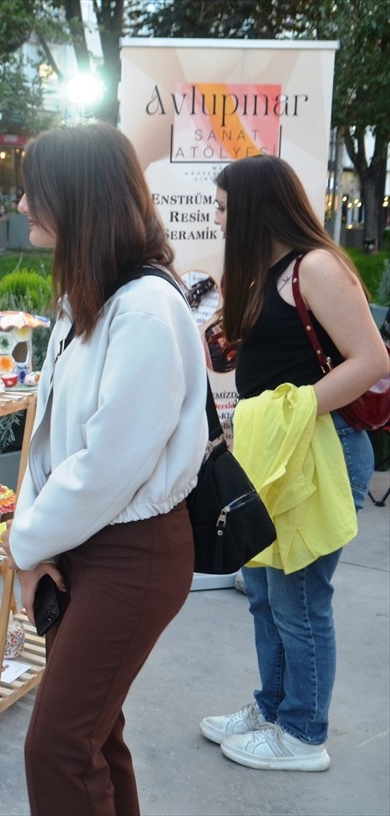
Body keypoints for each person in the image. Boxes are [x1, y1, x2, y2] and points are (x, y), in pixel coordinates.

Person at [0, 122, 208, 815]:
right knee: (95, 737)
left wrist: (23, 544)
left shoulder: (146, 310)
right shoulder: (90, 300)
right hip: (84, 542)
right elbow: (52, 441)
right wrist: (32, 546)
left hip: (132, 552)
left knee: (57, 747)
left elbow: (107, 466)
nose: (23, 205)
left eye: (35, 191)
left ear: (78, 199)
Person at [200, 155, 388, 772]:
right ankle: (274, 708)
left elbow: (372, 359)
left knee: (300, 597)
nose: (219, 219)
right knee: (261, 591)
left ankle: (305, 733)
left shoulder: (318, 267)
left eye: (225, 208)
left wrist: (298, 407)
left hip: (322, 449)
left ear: (255, 207)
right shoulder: (268, 271)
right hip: (274, 451)